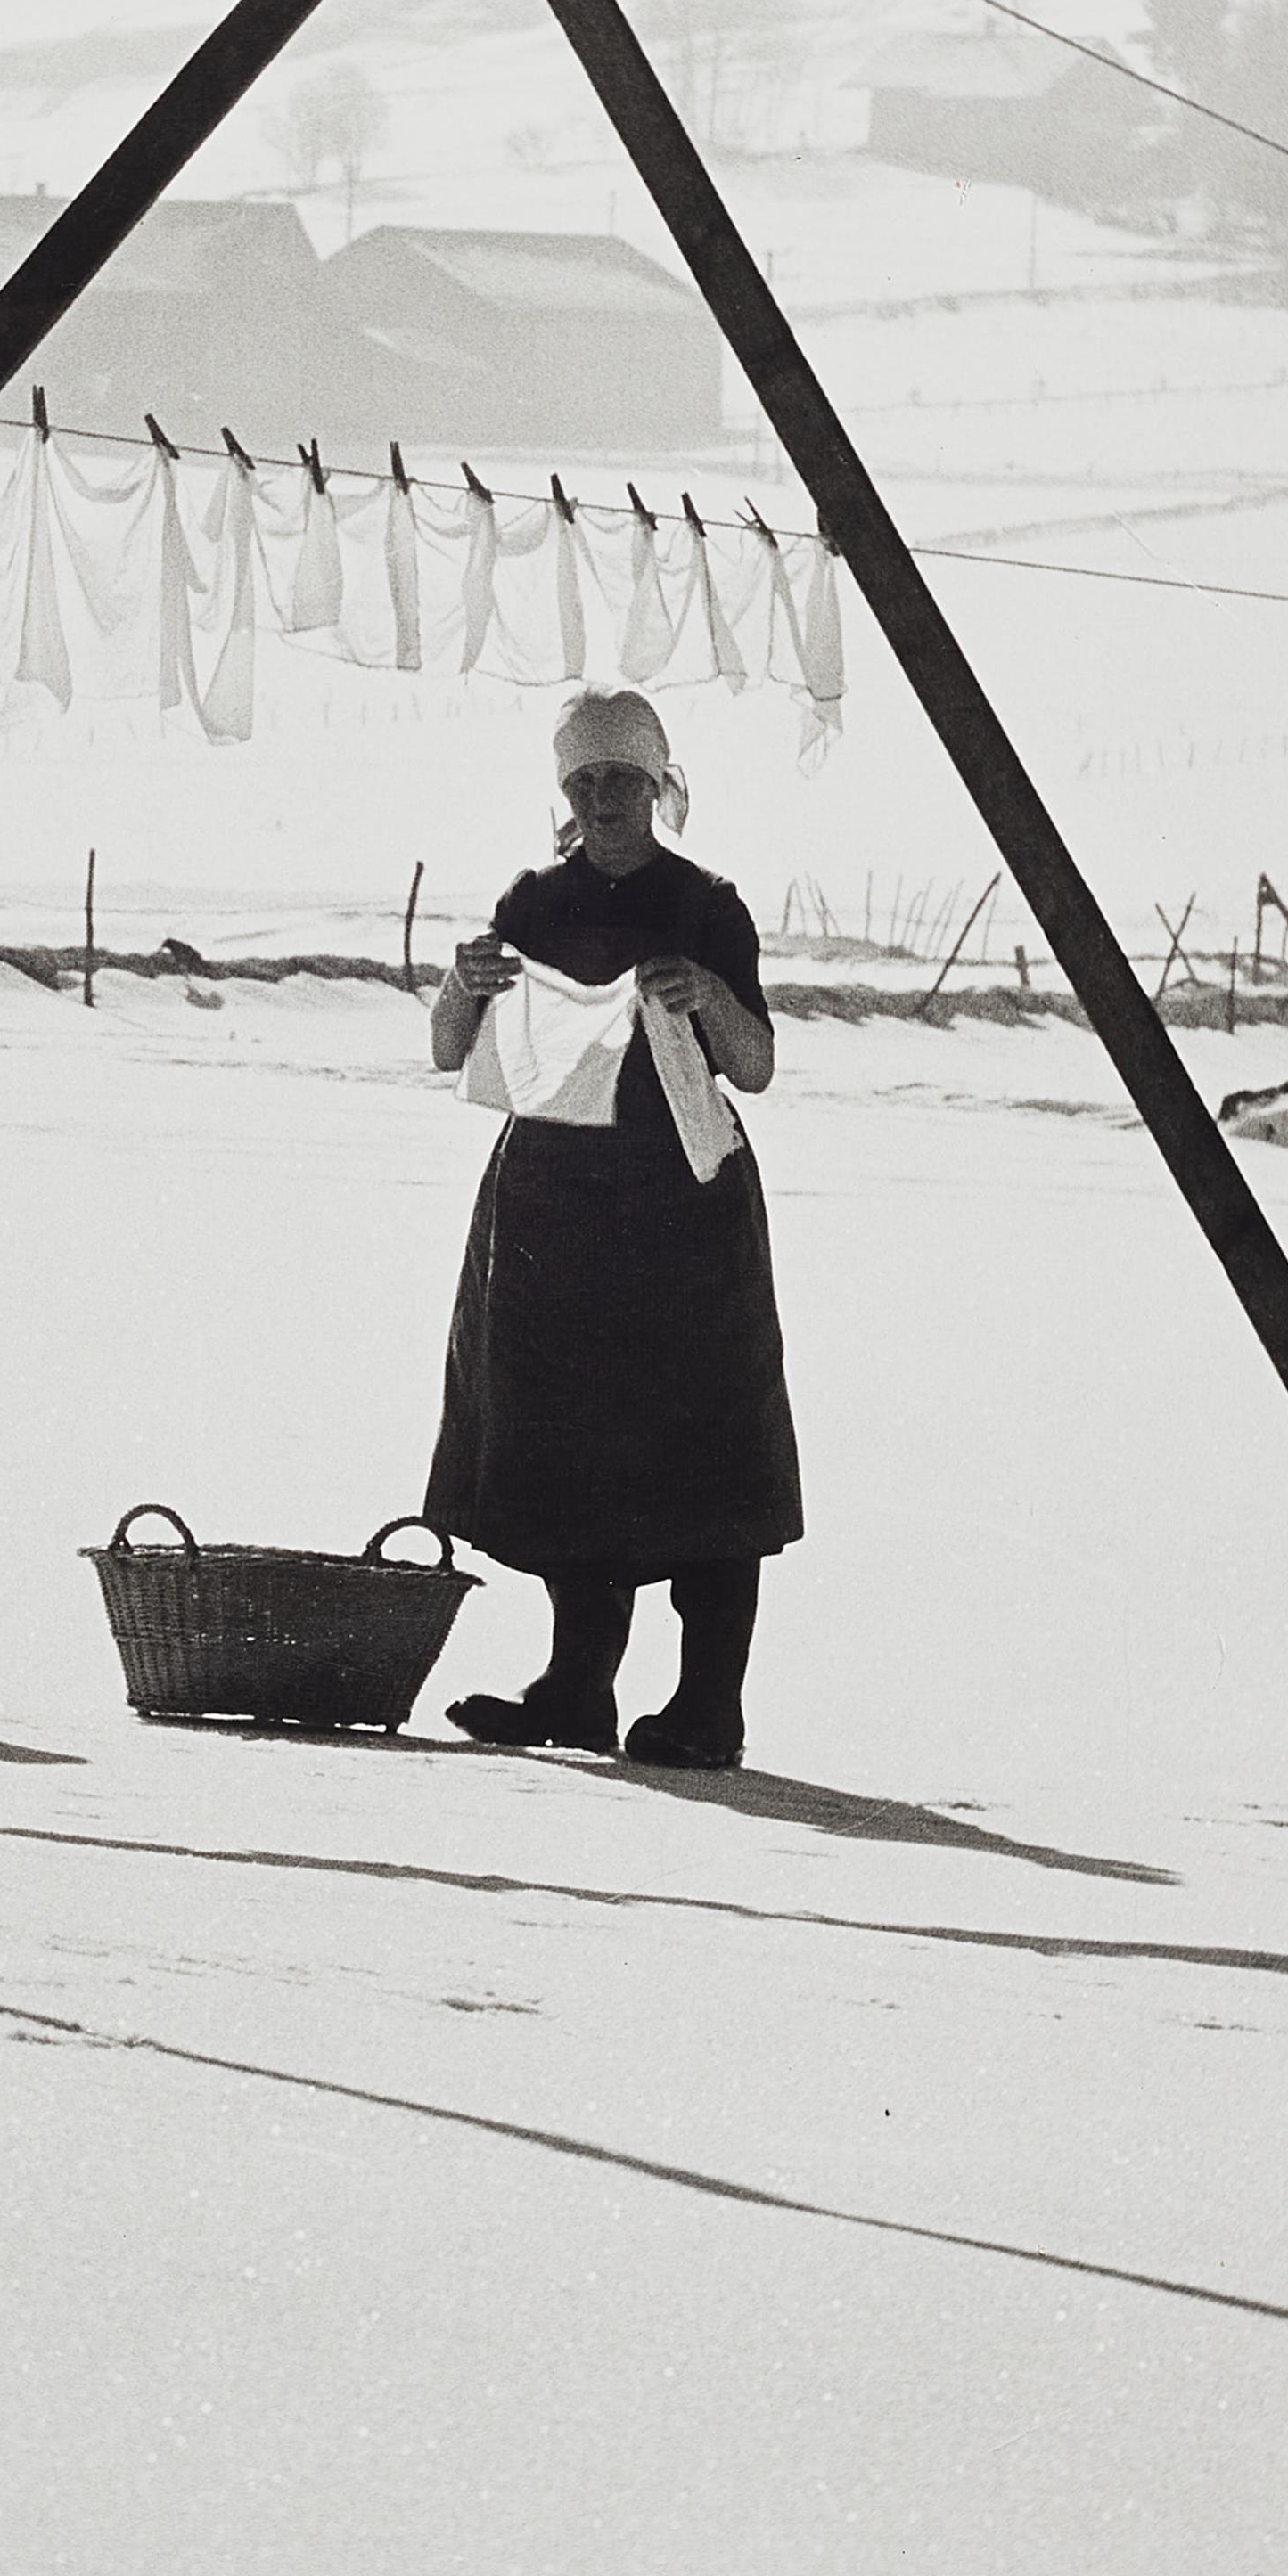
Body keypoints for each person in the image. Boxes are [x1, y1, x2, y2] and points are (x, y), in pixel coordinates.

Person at [422, 687, 801, 1769]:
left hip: (683, 1205)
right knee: (560, 1435)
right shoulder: (533, 902)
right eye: (582, 781)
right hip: (551, 1204)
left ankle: (706, 1705)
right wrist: (462, 980)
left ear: (656, 782)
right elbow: (451, 1048)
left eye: (620, 779)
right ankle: (575, 1684)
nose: (601, 800)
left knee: (704, 1441)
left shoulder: (706, 904)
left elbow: (757, 1065)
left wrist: (704, 997)